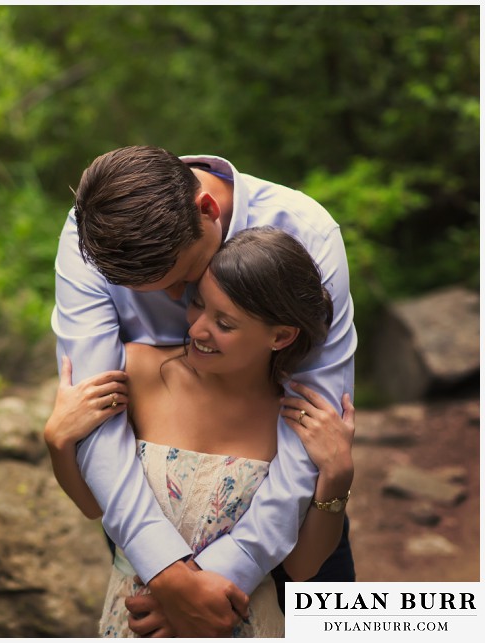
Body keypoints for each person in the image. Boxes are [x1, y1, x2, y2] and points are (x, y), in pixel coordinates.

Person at [51, 146, 357, 636]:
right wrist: (167, 574)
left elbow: (314, 420)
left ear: (208, 211)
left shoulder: (309, 232)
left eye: (185, 278)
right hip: (141, 510)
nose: (181, 308)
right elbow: (96, 415)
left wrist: (221, 575)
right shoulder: (94, 234)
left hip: (282, 503)